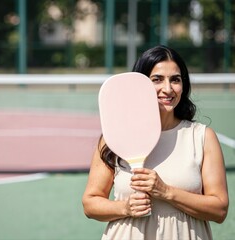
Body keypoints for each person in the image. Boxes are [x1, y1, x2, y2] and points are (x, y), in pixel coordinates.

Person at [82, 45, 228, 240]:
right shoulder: (115, 136)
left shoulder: (202, 137)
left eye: (175, 80)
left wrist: (166, 191)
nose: (167, 89)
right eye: (157, 79)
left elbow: (219, 210)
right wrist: (125, 207)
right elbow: (90, 203)